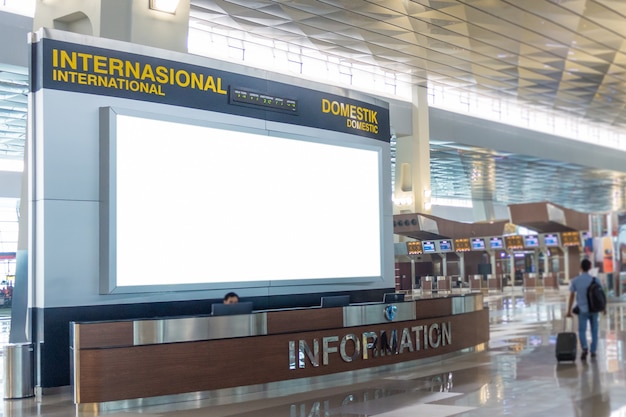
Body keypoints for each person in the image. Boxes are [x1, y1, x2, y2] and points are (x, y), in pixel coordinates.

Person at [566, 259, 605, 360]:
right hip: (594, 309)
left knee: (582, 330)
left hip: (582, 310)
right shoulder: (595, 280)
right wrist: (603, 307)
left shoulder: (576, 280)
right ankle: (593, 351)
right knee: (594, 330)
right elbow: (601, 295)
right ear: (590, 267)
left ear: (580, 267)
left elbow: (571, 296)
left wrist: (569, 311)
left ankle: (584, 348)